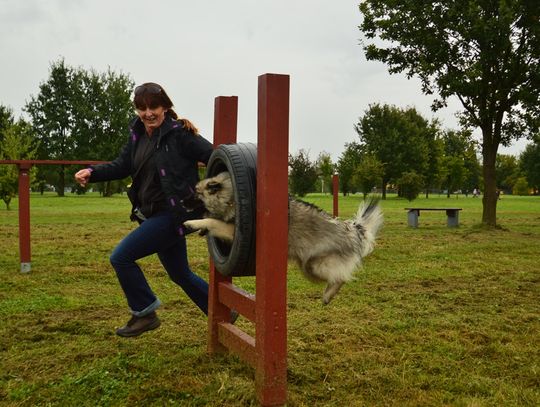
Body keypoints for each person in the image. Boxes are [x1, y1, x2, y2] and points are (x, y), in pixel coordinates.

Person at [75, 82, 214, 337]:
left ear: (165, 107)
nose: (148, 113)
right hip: (152, 213)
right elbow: (123, 164)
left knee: (121, 257)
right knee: (180, 274)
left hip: (174, 215)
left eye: (153, 107)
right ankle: (221, 312)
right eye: (142, 108)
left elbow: (215, 156)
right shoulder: (138, 133)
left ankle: (145, 313)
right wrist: (93, 172)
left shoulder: (180, 134)